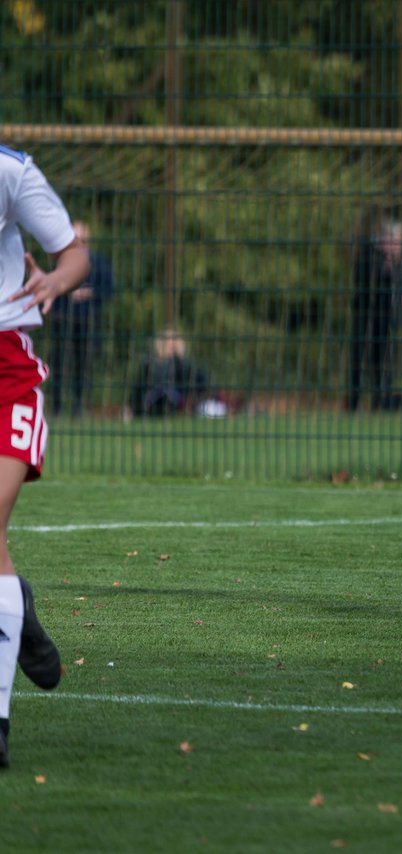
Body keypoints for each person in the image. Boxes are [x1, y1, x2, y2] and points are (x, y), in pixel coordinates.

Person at [0, 141, 90, 768]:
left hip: (8, 371)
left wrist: (56, 279)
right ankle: (17, 608)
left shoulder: (11, 171)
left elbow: (74, 254)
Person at [46, 220, 114, 417]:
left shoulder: (98, 263)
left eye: (83, 240)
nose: (80, 244)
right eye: (75, 240)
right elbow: (49, 290)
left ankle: (78, 407)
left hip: (88, 322)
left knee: (83, 365)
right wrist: (66, 294)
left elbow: (109, 289)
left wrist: (91, 294)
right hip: (63, 322)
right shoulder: (60, 264)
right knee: (59, 364)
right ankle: (57, 407)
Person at [348, 213, 402, 412]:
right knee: (359, 357)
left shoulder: (399, 262)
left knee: (383, 360)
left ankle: (380, 401)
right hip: (365, 315)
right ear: (385, 239)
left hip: (387, 319)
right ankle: (355, 402)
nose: (396, 246)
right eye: (394, 241)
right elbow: (362, 282)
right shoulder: (369, 255)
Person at [128, 326, 213, 418]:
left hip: (179, 400)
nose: (173, 346)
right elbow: (139, 391)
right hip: (156, 400)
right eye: (169, 343)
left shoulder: (184, 366)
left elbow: (202, 381)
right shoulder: (150, 365)